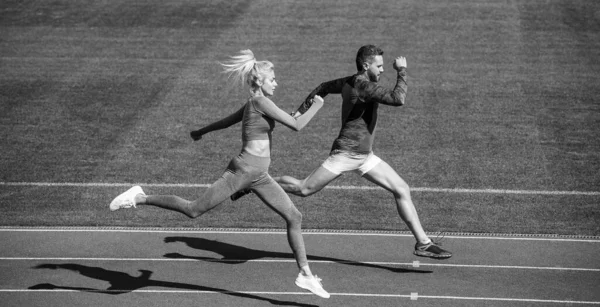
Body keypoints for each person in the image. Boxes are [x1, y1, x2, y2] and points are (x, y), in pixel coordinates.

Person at [109, 50, 330, 298]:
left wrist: (201, 131)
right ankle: (139, 197)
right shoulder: (259, 102)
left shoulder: (254, 105)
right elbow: (297, 125)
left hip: (259, 176)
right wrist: (318, 105)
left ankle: (305, 274)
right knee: (193, 210)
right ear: (260, 82)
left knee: (294, 216)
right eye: (273, 79)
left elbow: (227, 122)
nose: (276, 83)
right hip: (243, 171)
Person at [232, 45, 452, 259]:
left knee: (402, 188)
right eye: (379, 66)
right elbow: (398, 99)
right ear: (366, 65)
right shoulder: (361, 85)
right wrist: (402, 70)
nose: (383, 70)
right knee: (303, 188)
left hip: (365, 157)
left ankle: (423, 243)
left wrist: (300, 110)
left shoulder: (349, 81)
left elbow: (323, 87)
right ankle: (255, 183)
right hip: (345, 154)